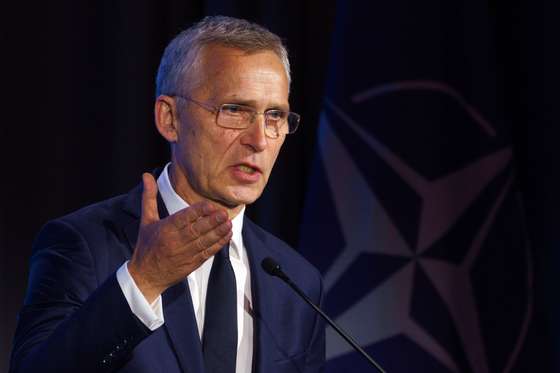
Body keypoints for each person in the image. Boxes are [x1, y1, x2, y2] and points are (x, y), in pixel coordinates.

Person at [10, 16, 325, 373]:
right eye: (235, 110)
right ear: (170, 119)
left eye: (274, 116)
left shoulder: (297, 282)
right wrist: (143, 280)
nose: (259, 140)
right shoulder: (84, 244)